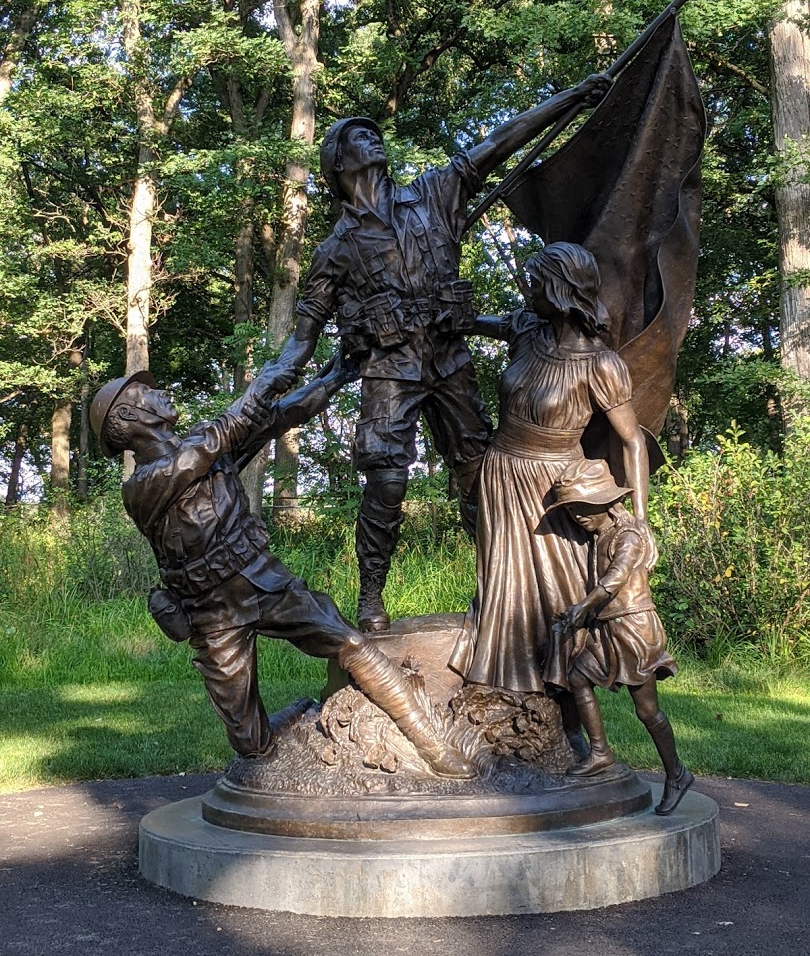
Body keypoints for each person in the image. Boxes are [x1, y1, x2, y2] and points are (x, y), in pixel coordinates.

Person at [277, 75, 612, 633]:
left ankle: (501, 588)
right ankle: (371, 595)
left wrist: (572, 97)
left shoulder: (434, 194)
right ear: (338, 163)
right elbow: (302, 335)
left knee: (481, 479)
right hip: (390, 372)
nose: (372, 138)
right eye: (358, 136)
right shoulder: (334, 249)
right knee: (386, 481)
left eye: (374, 132)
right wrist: (275, 386)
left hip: (450, 361)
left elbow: (499, 142)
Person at [89, 360, 474, 778]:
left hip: (263, 580)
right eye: (147, 393)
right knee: (250, 744)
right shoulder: (143, 484)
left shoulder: (204, 447)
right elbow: (226, 430)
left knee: (351, 641)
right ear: (128, 415)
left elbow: (279, 416)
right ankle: (300, 713)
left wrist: (335, 376)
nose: (161, 393)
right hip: (210, 612)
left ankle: (432, 745)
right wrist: (274, 374)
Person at [449, 242, 655, 700]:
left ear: (561, 290)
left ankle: (564, 702)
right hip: (502, 475)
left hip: (557, 488)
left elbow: (632, 441)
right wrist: (450, 308)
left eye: (536, 282)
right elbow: (468, 324)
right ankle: (504, 687)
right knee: (504, 585)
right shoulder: (526, 331)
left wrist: (639, 520)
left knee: (559, 588)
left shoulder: (601, 365)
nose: (528, 289)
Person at [547, 456, 693, 816]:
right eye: (572, 510)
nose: (578, 516)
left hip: (635, 629)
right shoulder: (598, 537)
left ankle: (677, 774)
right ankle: (600, 752)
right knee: (577, 677)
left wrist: (585, 605)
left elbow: (616, 577)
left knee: (647, 710)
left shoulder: (628, 535)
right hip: (607, 629)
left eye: (583, 507)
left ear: (605, 502)